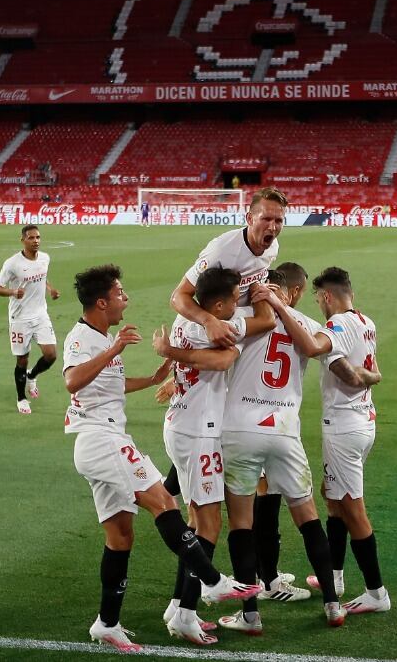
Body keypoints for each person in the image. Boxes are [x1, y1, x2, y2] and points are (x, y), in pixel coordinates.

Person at [63, 264, 260, 652]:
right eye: (120, 293)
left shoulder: (99, 335)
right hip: (101, 438)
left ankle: (107, 623)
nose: (126, 298)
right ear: (101, 302)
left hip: (106, 436)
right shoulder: (83, 337)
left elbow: (110, 384)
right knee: (164, 502)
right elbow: (71, 380)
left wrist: (152, 380)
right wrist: (115, 349)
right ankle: (211, 581)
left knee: (120, 537)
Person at [205, 265, 366, 633]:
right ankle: (332, 604)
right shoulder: (307, 324)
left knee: (242, 523)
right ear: (293, 292)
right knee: (308, 518)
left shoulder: (244, 316)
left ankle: (249, 615)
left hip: (240, 428)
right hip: (284, 429)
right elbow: (338, 363)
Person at [151, 267, 275, 644]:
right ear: (218, 304)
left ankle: (177, 604)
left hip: (182, 423)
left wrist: (171, 356)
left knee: (195, 521)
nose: (238, 303)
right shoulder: (219, 325)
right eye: (235, 297)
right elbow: (232, 352)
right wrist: (262, 296)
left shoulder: (182, 318)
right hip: (198, 432)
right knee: (209, 524)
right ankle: (187, 613)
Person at [273, 266, 389, 615]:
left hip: (344, 428)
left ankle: (376, 592)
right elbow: (372, 373)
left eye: (318, 297)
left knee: (353, 510)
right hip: (364, 421)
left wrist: (281, 309)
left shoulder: (337, 326)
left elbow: (319, 352)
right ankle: (334, 577)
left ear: (326, 296)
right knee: (334, 499)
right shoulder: (366, 321)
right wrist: (370, 376)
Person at [170, 187, 286, 348]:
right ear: (250, 219)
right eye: (266, 219)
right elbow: (179, 296)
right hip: (207, 329)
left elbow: (256, 277)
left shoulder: (273, 247)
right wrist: (208, 321)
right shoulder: (221, 251)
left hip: (240, 323)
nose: (273, 227)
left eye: (279, 221)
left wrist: (268, 289)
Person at [0, 224, 60, 414]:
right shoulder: (12, 264)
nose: (36, 241)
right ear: (22, 240)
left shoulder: (45, 258)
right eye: (31, 238)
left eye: (38, 237)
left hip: (40, 315)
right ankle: (21, 398)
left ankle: (32, 375)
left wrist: (50, 289)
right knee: (22, 359)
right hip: (20, 318)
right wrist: (13, 291)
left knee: (51, 355)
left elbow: (41, 276)